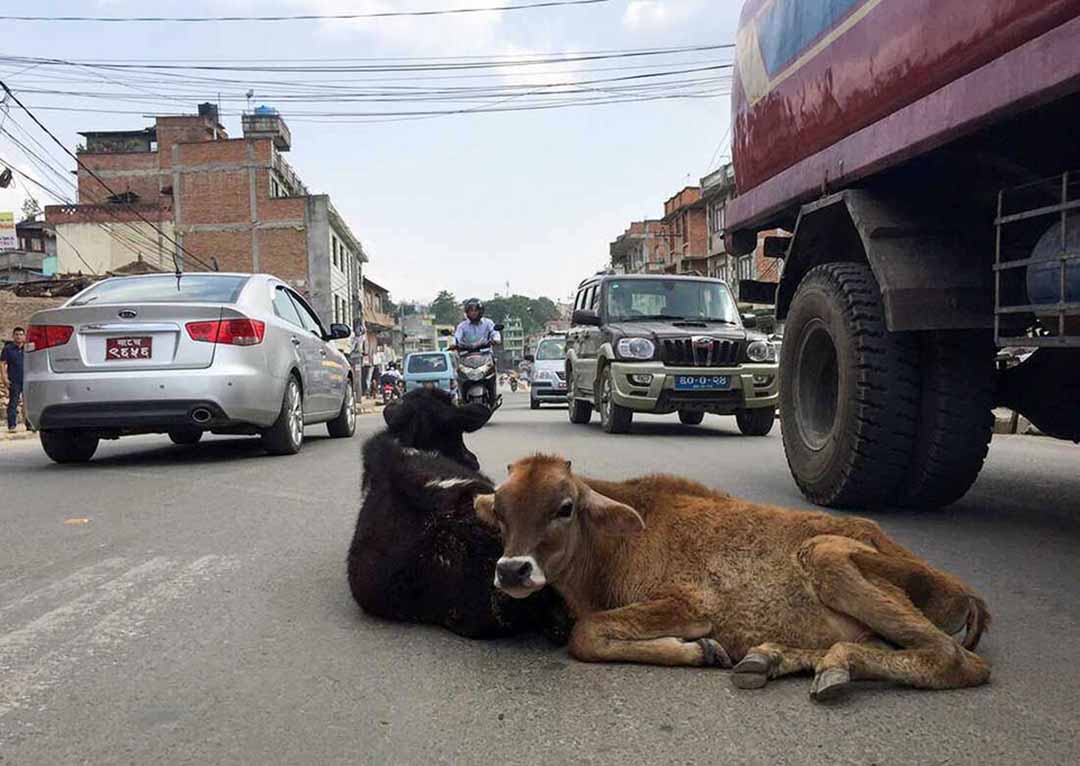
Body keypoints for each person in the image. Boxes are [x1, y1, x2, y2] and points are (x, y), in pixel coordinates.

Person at [1, 327, 28, 433]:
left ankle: (29, 425)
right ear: (13, 336)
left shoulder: (27, 348)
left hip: (27, 379)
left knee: (28, 403)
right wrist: (4, 377)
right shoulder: (8, 349)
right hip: (14, 379)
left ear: (24, 336)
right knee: (13, 402)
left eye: (21, 334)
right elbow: (2, 363)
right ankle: (12, 425)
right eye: (16, 334)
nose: (19, 336)